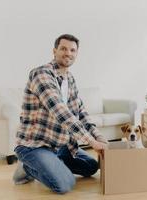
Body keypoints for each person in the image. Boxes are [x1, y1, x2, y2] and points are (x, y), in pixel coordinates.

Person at [12, 34, 108, 194]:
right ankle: (27, 166)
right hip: (35, 145)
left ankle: (52, 163)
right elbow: (60, 111)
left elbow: (81, 112)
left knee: (91, 166)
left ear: (76, 54)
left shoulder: (69, 79)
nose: (68, 53)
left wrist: (99, 137)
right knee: (65, 184)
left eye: (72, 50)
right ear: (54, 50)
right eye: (63, 48)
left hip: (60, 145)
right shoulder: (41, 74)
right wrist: (91, 142)